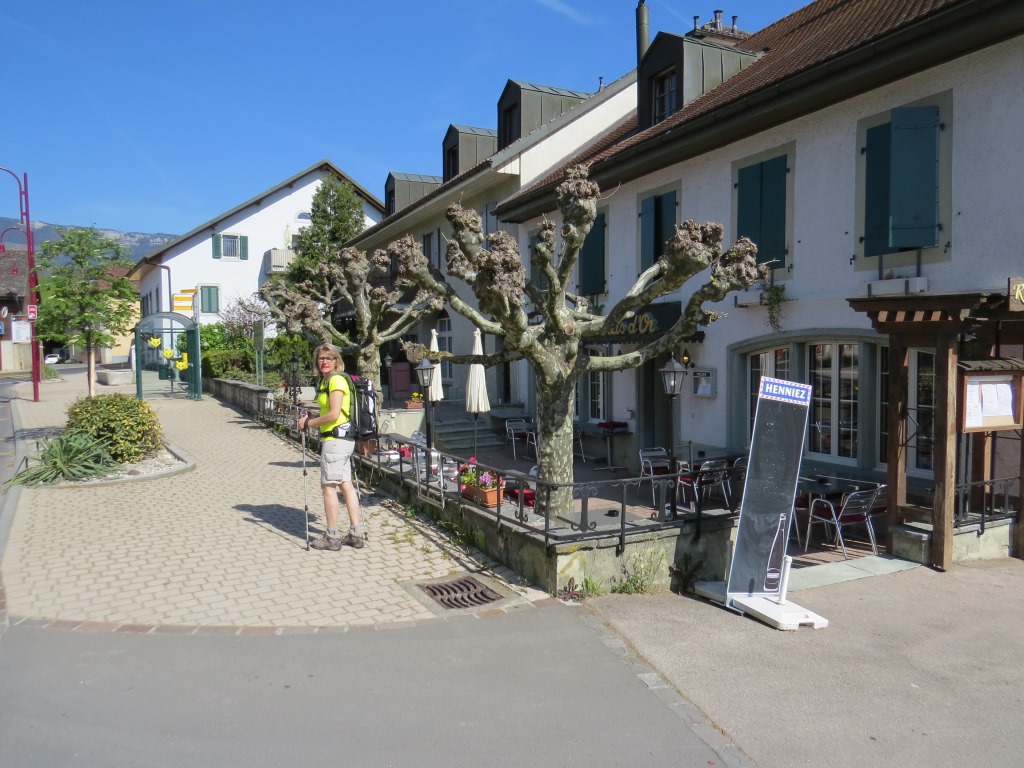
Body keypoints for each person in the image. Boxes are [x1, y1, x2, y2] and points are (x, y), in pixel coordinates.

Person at [298, 344, 364, 551]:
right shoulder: (330, 380)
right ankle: (355, 534)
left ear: (337, 361)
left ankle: (332, 537)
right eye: (321, 358)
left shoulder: (335, 380)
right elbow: (333, 412)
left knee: (328, 487)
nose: (324, 361)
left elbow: (334, 414)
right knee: (346, 485)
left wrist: (309, 423)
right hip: (343, 439)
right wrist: (315, 418)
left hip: (335, 441)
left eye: (329, 358)